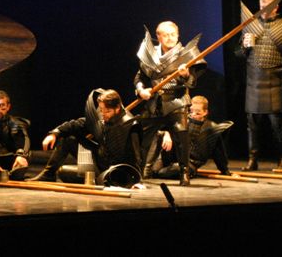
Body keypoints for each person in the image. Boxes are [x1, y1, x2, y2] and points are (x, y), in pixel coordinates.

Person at [134, 21, 207, 186]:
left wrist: (185, 75)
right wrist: (141, 90)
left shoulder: (186, 54)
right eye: (166, 35)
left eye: (173, 34)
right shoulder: (150, 53)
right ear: (158, 36)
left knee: (181, 134)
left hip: (177, 101)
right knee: (140, 136)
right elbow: (140, 78)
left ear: (178, 35)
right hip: (154, 103)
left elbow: (192, 82)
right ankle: (137, 171)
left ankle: (184, 173)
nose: (170, 38)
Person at [235, 0, 282, 171]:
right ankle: (252, 160)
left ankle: (281, 159)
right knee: (252, 125)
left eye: (267, 5)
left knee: (277, 125)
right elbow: (237, 54)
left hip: (274, 81)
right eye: (261, 5)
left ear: (276, 6)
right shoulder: (251, 25)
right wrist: (244, 46)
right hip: (254, 82)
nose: (263, 8)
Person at [27, 89, 143, 188]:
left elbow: (137, 158)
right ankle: (48, 174)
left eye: (107, 111)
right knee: (69, 138)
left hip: (114, 171)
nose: (103, 114)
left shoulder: (129, 125)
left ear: (117, 108)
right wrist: (54, 133)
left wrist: (137, 181)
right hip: (99, 159)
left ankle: (96, 178)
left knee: (65, 172)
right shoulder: (103, 116)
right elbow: (77, 124)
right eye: (101, 110)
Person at [145, 95, 234, 179]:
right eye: (191, 111)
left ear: (205, 112)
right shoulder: (181, 121)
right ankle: (150, 170)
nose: (193, 115)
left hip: (189, 164)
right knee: (155, 169)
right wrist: (166, 134)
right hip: (170, 158)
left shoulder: (211, 128)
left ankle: (160, 173)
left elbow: (219, 153)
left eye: (198, 112)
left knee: (175, 170)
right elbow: (162, 129)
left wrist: (225, 171)